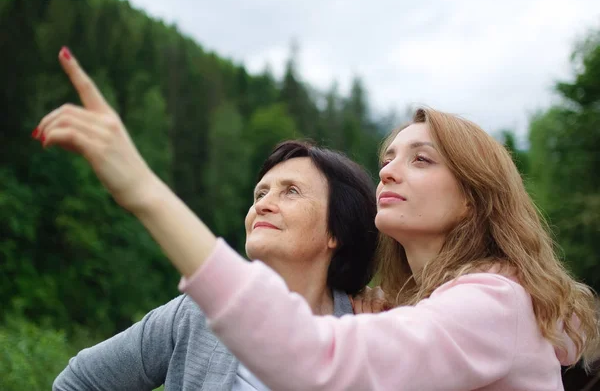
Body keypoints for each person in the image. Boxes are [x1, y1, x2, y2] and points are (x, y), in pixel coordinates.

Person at [37, 47, 599, 390]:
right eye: (387, 160)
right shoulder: (409, 311)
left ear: (475, 198)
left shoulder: (491, 303)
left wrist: (144, 191)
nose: (390, 173)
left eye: (420, 159)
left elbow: (318, 364)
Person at [51, 136, 379, 390]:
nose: (264, 204)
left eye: (290, 191)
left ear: (336, 230)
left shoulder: (370, 335)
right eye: (260, 194)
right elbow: (78, 382)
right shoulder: (197, 314)